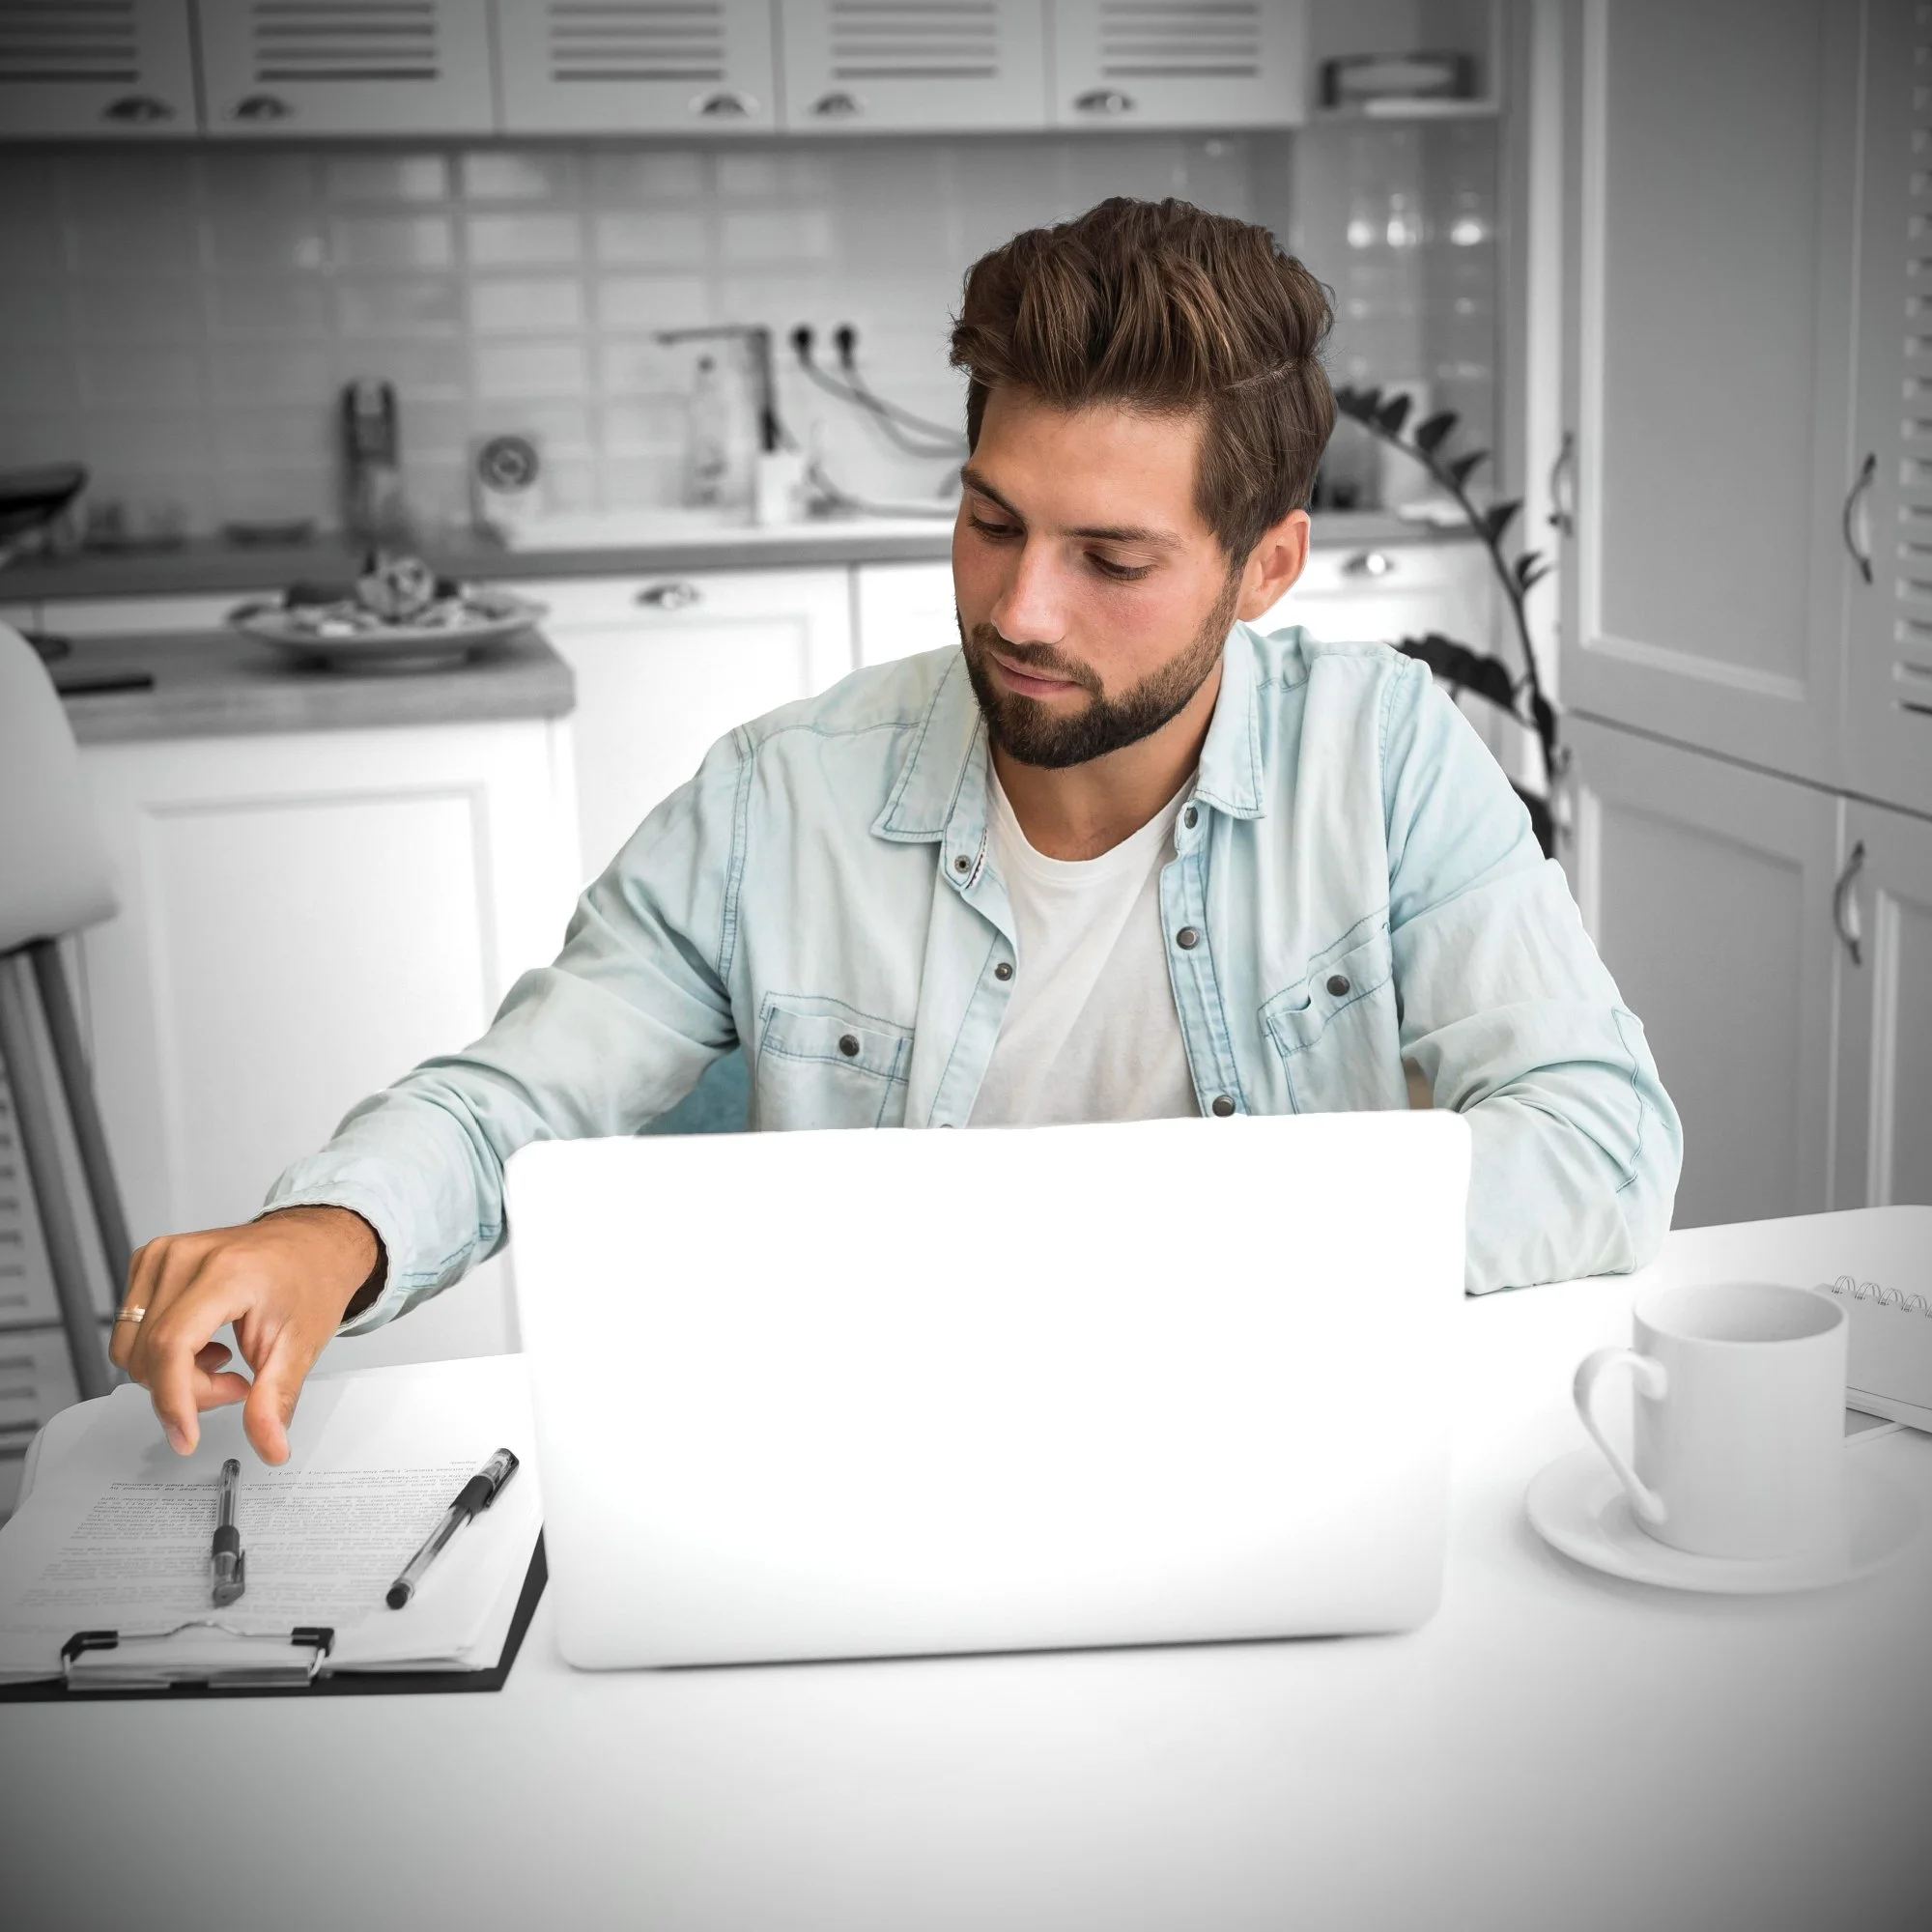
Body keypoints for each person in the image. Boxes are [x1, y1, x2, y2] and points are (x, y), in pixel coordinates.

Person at [113, 198, 1681, 1464]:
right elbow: (515, 1098)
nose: (1020, 608)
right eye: (992, 521)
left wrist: (1180, 1261)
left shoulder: (1388, 757)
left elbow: (1597, 1139)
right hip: (866, 1472)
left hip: (1280, 1456)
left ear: (1266, 568)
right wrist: (324, 1235)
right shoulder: (776, 796)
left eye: (1112, 560)